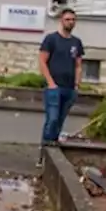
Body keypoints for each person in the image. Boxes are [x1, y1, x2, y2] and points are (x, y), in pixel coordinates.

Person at [39, 8, 84, 146]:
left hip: (69, 88)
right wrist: (51, 83)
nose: (71, 22)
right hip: (54, 87)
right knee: (52, 119)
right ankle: (45, 149)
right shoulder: (51, 39)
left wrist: (76, 85)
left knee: (59, 121)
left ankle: (53, 147)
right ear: (61, 21)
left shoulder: (76, 42)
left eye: (73, 20)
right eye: (68, 19)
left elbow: (78, 65)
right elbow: (42, 61)